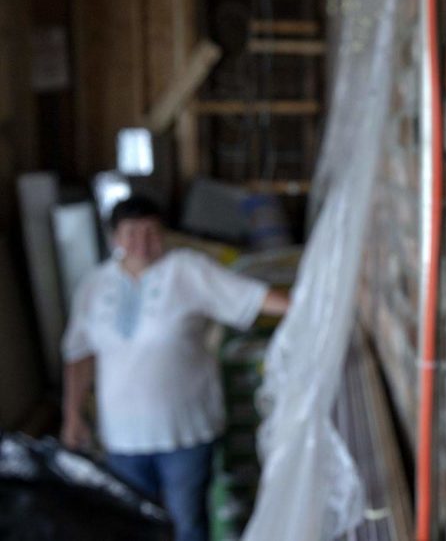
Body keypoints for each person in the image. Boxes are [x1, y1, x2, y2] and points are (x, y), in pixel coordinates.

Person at [60, 195, 290, 541]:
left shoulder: (187, 270)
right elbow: (78, 355)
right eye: (131, 233)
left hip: (185, 433)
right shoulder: (94, 286)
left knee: (187, 525)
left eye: (152, 232)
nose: (142, 242)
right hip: (122, 439)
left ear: (165, 234)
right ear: (114, 239)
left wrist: (310, 307)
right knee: (133, 524)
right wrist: (72, 415)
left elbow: (250, 297)